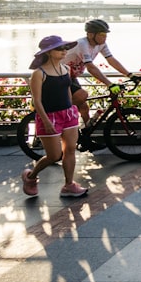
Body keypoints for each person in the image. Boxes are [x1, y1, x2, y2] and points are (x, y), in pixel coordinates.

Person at [20, 36, 88, 198]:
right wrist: (45, 120)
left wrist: (72, 109)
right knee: (54, 156)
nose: (64, 51)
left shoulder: (65, 69)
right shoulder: (39, 73)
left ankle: (69, 185)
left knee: (70, 149)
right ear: (49, 52)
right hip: (49, 116)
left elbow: (67, 92)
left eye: (65, 48)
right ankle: (30, 176)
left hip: (68, 114)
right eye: (60, 49)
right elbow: (37, 100)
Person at [63, 19, 139, 134]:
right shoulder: (82, 44)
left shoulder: (101, 44)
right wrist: (110, 84)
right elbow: (90, 67)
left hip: (71, 77)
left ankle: (86, 135)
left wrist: (130, 75)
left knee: (84, 108)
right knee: (82, 95)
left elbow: (111, 60)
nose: (105, 37)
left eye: (106, 34)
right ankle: (57, 120)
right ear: (90, 34)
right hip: (59, 76)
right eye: (102, 34)